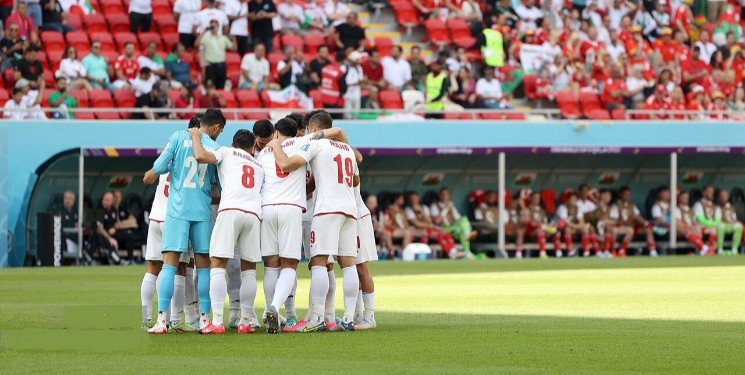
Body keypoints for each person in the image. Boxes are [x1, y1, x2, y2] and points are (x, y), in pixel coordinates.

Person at [269, 111, 360, 332]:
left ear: (312, 130)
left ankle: (316, 318)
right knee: (348, 263)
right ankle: (348, 318)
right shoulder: (348, 149)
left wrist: (276, 146)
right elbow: (356, 179)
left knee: (318, 260)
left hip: (326, 209)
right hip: (349, 209)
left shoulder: (316, 145)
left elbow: (288, 165)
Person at [147, 108, 226, 334]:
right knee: (203, 268)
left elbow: (160, 167)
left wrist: (175, 166)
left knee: (169, 265)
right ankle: (204, 320)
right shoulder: (216, 148)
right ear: (216, 127)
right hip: (201, 212)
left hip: (177, 211)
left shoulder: (178, 136)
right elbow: (219, 185)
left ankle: (162, 321)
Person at [188, 126, 263, 334]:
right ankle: (246, 321)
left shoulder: (226, 152)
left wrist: (195, 137)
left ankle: (218, 321)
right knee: (249, 269)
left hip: (230, 209)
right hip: (254, 214)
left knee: (218, 264)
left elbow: (200, 156)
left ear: (233, 143)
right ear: (252, 147)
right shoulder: (257, 165)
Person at [140, 116, 202, 330]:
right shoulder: (192, 157)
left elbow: (148, 177)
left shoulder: (168, 158)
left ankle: (146, 316)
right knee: (178, 267)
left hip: (155, 217)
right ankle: (175, 319)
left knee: (153, 267)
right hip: (174, 218)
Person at [254, 118, 307, 333]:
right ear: (297, 132)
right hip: (291, 207)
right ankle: (275, 307)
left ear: (276, 132)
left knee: (270, 265)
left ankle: (270, 309)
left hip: (267, 208)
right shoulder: (302, 144)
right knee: (289, 265)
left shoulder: (263, 153)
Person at [431, 187, 477, 258]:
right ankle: (467, 235)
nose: (445, 196)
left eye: (447, 194)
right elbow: (437, 221)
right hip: (441, 229)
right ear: (439, 196)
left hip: (452, 228)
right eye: (443, 194)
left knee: (464, 221)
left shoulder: (451, 205)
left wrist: (467, 225)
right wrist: (446, 209)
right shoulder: (434, 206)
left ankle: (467, 251)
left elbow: (459, 218)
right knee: (461, 230)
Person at [610, 186, 656, 257]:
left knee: (648, 230)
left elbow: (638, 216)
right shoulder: (615, 206)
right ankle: (622, 250)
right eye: (625, 194)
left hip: (632, 226)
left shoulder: (632, 205)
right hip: (622, 227)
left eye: (629, 195)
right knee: (631, 227)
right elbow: (614, 220)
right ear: (620, 195)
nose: (627, 196)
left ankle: (652, 250)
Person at [197, 20, 236, 89]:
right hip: (210, 65)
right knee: (210, 86)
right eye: (212, 26)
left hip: (221, 65)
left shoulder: (223, 38)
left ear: (218, 27)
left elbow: (233, 49)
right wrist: (204, 32)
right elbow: (196, 43)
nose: (213, 28)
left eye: (215, 26)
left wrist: (234, 39)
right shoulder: (206, 38)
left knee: (221, 86)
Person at [340, 51, 364, 119]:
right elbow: (341, 82)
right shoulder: (343, 68)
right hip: (347, 95)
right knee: (347, 116)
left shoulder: (359, 68)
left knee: (356, 115)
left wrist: (361, 82)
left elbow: (360, 80)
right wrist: (352, 84)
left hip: (356, 95)